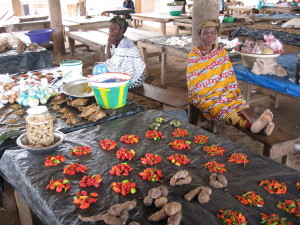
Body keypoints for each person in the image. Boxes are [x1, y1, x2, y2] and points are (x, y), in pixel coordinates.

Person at [186, 19, 275, 136]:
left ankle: (255, 123)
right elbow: (193, 82)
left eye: (212, 33)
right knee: (220, 106)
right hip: (204, 95)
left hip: (224, 90)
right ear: (200, 35)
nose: (209, 36)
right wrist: (209, 92)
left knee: (237, 100)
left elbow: (228, 76)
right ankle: (255, 125)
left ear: (216, 35)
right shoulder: (194, 55)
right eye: (205, 33)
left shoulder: (221, 52)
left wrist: (225, 91)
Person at [93, 16, 145, 89]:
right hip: (125, 72)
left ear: (121, 30)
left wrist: (108, 45)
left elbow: (112, 64)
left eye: (115, 28)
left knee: (101, 72)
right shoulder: (116, 40)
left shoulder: (124, 43)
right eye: (110, 28)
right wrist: (108, 45)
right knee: (100, 70)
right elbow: (109, 60)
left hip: (134, 78)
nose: (111, 30)